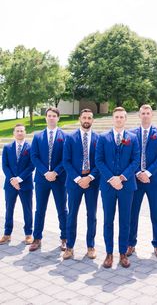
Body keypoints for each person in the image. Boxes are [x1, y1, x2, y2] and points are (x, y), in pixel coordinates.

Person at [95, 107, 139, 268]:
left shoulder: (133, 138)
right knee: (108, 220)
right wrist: (111, 178)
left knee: (125, 221)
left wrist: (121, 178)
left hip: (126, 186)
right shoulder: (103, 138)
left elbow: (135, 161)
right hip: (108, 186)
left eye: (121, 117)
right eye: (116, 117)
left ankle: (122, 253)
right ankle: (108, 253)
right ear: (113, 119)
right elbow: (99, 160)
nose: (119, 119)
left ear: (125, 119)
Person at [127, 104, 157, 258]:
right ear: (139, 115)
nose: (145, 115)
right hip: (135, 180)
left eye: (148, 113)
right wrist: (137, 172)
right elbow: (130, 156)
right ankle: (131, 244)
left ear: (152, 115)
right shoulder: (130, 133)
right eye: (142, 113)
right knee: (133, 213)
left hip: (154, 180)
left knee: (156, 213)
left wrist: (148, 173)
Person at [62, 109, 100, 260]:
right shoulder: (70, 138)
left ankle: (91, 246)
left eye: (89, 118)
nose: (86, 120)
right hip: (74, 183)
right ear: (79, 119)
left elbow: (100, 161)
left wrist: (89, 178)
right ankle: (69, 247)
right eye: (84, 117)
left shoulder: (98, 138)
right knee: (72, 215)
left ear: (92, 120)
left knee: (92, 215)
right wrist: (78, 179)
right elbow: (66, 161)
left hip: (92, 182)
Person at [29, 107, 68, 251]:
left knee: (62, 210)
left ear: (58, 118)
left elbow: (66, 158)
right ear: (46, 118)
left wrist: (55, 172)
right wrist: (45, 172)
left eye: (54, 116)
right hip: (41, 179)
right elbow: (34, 156)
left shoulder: (65, 137)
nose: (51, 118)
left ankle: (65, 238)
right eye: (49, 115)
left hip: (59, 179)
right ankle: (37, 238)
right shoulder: (37, 136)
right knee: (40, 210)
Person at [0, 124, 34, 245]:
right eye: (17, 131)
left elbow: (31, 166)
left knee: (27, 209)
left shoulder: (31, 147)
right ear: (14, 133)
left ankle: (28, 234)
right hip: (10, 185)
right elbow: (5, 165)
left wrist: (19, 179)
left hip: (26, 184)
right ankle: (7, 234)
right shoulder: (7, 147)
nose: (19, 133)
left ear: (25, 133)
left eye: (21, 131)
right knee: (9, 209)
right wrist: (12, 180)